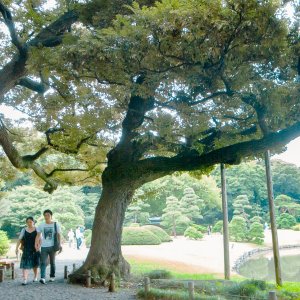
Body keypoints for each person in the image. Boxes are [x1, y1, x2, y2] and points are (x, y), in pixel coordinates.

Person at [35, 209, 62, 284]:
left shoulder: (56, 224)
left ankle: (52, 276)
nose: (46, 217)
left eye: (48, 215)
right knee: (43, 262)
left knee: (52, 262)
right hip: (44, 246)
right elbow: (38, 236)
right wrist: (36, 245)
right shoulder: (41, 225)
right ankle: (43, 278)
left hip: (53, 246)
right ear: (44, 216)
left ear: (51, 216)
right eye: (45, 215)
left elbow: (59, 235)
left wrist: (59, 245)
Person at [15, 217, 40, 285]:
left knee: (35, 264)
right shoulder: (24, 230)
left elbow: (41, 239)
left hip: (35, 249)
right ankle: (25, 279)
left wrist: (38, 246)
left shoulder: (37, 229)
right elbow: (19, 239)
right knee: (25, 264)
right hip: (26, 249)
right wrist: (16, 248)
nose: (29, 223)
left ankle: (35, 277)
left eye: (30, 222)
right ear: (26, 222)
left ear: (33, 222)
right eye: (28, 222)